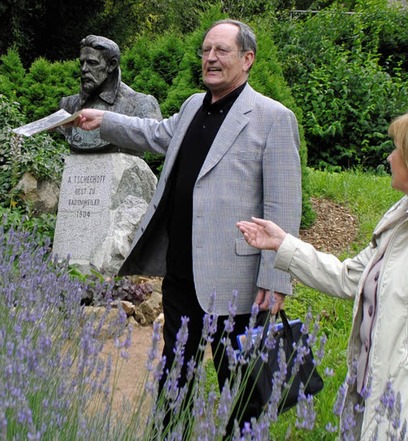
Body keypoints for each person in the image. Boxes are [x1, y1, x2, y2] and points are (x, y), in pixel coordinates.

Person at [71, 19, 302, 433]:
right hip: (181, 273)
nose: (210, 58)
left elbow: (283, 204)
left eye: (222, 51)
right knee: (175, 374)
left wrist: (277, 275)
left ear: (248, 59)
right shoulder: (196, 105)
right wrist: (101, 120)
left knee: (242, 386)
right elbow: (154, 132)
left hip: (237, 280)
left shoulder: (272, 117)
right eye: (206, 50)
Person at [237, 105, 408, 440]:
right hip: (379, 407)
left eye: (397, 148)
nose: (389, 158)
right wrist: (283, 245)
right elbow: (348, 277)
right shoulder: (405, 215)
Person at [59, 35, 162, 154]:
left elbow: (157, 138)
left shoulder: (141, 104)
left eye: (92, 63)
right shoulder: (68, 106)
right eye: (82, 63)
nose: (84, 69)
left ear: (111, 65)